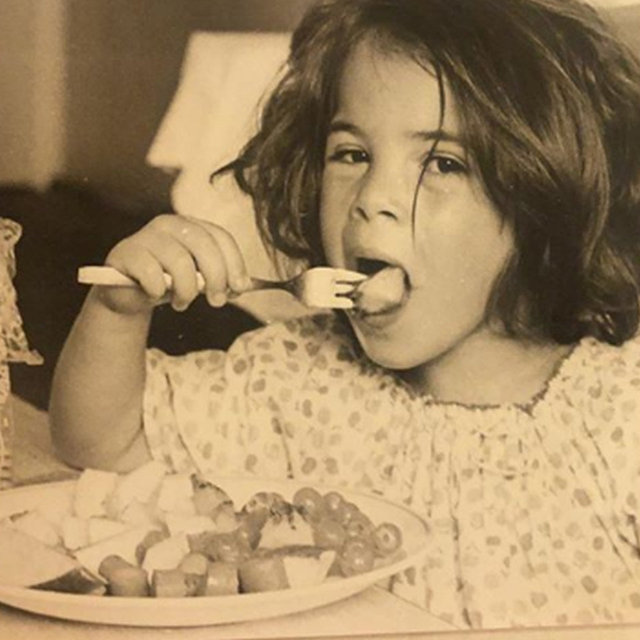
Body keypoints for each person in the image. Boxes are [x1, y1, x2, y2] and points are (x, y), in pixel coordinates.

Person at [50, 0, 640, 629]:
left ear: (545, 202)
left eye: (443, 163)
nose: (372, 199)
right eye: (352, 154)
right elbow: (103, 442)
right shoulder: (294, 380)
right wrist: (118, 309)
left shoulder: (620, 413)